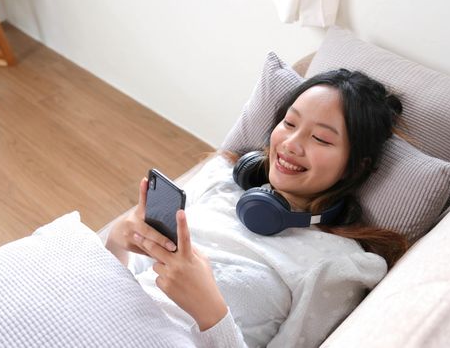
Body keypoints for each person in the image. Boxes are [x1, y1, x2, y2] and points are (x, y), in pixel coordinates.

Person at [105, 69, 409, 347]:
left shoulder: (336, 265)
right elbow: (127, 282)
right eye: (289, 123)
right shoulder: (221, 181)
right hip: (104, 314)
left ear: (354, 168)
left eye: (320, 138)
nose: (290, 143)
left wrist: (210, 312)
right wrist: (117, 242)